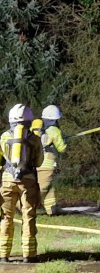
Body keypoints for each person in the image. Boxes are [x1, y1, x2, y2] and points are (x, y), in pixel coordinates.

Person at [0, 104, 43, 263]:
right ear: (30, 121)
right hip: (28, 181)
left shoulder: (4, 137)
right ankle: (29, 255)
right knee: (28, 216)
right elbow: (39, 162)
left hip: (7, 181)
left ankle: (3, 255)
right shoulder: (35, 139)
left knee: (6, 217)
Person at [37, 105, 67, 215]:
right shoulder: (54, 130)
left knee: (48, 186)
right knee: (42, 187)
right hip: (46, 164)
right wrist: (62, 141)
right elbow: (62, 148)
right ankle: (23, 205)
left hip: (36, 162)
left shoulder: (38, 129)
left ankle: (51, 208)